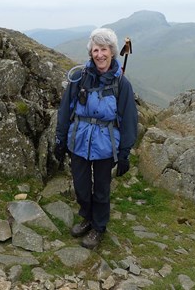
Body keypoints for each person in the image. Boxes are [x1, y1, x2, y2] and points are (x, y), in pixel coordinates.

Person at [55, 27, 138, 249]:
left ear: (112, 51)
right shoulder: (79, 78)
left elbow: (129, 119)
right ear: (90, 53)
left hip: (105, 143)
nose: (99, 55)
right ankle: (87, 218)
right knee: (81, 186)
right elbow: (65, 111)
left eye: (104, 49)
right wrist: (60, 140)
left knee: (101, 189)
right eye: (95, 50)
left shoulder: (122, 84)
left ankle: (99, 227)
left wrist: (124, 153)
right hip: (79, 140)